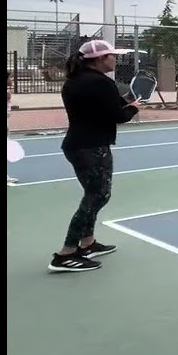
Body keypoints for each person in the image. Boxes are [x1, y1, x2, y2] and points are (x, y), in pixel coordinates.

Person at [49, 40, 141, 273]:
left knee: (92, 194)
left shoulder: (76, 81)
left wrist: (125, 101)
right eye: (112, 55)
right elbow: (117, 116)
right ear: (100, 59)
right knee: (97, 196)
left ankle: (87, 243)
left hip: (77, 145)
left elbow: (100, 108)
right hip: (92, 147)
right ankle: (66, 253)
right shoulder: (101, 83)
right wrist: (134, 108)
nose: (115, 59)